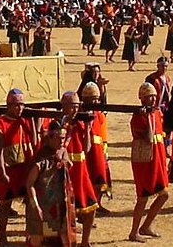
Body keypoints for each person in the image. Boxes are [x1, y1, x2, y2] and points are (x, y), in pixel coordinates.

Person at [0, 89, 37, 246]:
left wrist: (31, 120)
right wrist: (2, 172)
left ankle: (28, 235)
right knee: (5, 204)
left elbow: (34, 140)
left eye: (22, 105)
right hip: (8, 169)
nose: (20, 108)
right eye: (16, 105)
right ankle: (3, 236)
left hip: (23, 169)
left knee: (28, 203)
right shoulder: (0, 123)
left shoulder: (23, 122)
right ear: (9, 105)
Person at [128, 82, 169, 242]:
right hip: (145, 161)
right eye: (148, 97)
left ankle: (146, 226)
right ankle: (133, 232)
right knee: (143, 197)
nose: (152, 99)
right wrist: (146, 117)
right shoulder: (138, 117)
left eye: (153, 96)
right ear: (142, 99)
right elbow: (149, 138)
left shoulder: (157, 113)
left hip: (157, 159)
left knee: (164, 194)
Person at [26, 120, 76, 247]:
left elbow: (69, 165)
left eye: (63, 138)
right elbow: (30, 183)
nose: (61, 142)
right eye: (58, 138)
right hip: (42, 207)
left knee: (60, 240)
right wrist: (35, 205)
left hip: (60, 207)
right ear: (50, 138)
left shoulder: (62, 151)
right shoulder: (41, 157)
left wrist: (63, 159)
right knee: (41, 240)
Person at [59, 91, 97, 246]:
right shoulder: (58, 124)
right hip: (67, 172)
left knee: (91, 206)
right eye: (72, 106)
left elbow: (87, 148)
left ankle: (85, 242)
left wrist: (87, 128)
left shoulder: (81, 123)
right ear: (64, 107)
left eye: (77, 106)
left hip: (81, 171)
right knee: (66, 211)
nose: (75, 110)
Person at [80, 82, 112, 215]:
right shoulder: (80, 114)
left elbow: (102, 133)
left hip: (99, 150)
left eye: (96, 99)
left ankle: (98, 203)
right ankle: (87, 207)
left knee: (100, 178)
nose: (95, 102)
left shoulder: (98, 114)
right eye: (92, 99)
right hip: (87, 151)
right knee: (88, 180)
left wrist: (105, 151)